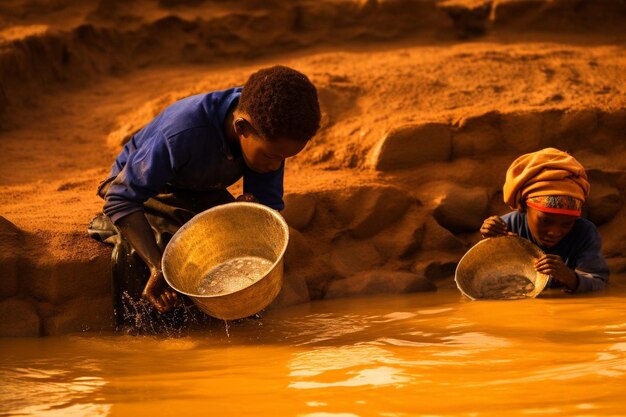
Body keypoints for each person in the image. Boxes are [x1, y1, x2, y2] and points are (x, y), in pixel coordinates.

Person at [87, 65, 321, 329]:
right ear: (241, 128)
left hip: (200, 189)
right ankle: (149, 340)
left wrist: (250, 215)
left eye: (285, 158)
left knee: (229, 242)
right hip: (142, 184)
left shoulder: (269, 130)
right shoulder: (183, 133)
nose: (276, 166)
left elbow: (267, 213)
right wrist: (157, 267)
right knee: (172, 247)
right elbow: (121, 198)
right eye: (271, 156)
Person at [480, 147, 609, 293]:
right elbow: (485, 280)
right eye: (545, 221)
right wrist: (491, 242)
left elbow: (599, 284)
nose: (554, 232)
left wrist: (569, 277)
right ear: (524, 207)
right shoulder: (508, 226)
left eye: (567, 224)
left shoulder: (585, 232)